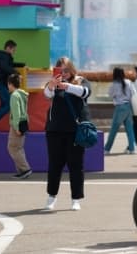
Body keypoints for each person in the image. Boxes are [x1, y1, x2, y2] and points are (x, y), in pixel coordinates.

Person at [43, 57, 92, 211]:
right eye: (60, 70)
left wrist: (68, 86)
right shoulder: (54, 83)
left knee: (76, 166)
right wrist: (52, 85)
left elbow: (85, 92)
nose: (63, 73)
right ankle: (51, 197)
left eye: (65, 70)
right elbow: (47, 94)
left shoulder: (80, 80)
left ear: (71, 69)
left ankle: (75, 199)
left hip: (75, 132)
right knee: (54, 165)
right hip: (54, 131)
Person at [0, 39, 26, 134]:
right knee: (9, 104)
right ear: (8, 48)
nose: (14, 52)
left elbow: (10, 65)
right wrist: (17, 73)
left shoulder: (5, 57)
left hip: (2, 82)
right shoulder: (3, 56)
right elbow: (5, 67)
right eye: (13, 50)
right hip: (0, 82)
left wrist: (23, 65)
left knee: (4, 105)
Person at [104, 67, 136, 155]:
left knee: (114, 129)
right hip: (128, 106)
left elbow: (110, 94)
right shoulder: (128, 82)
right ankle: (132, 149)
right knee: (129, 129)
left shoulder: (114, 84)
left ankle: (107, 149)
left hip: (120, 107)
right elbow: (133, 93)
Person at [7, 73, 31, 179]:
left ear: (10, 84)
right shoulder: (22, 94)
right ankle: (21, 171)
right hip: (24, 123)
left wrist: (16, 127)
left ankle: (25, 169)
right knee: (18, 148)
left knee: (12, 148)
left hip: (17, 124)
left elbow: (16, 113)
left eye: (8, 84)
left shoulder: (14, 95)